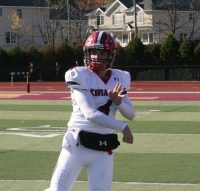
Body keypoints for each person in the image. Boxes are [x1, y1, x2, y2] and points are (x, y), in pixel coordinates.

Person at [44, 31, 135, 191]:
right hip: (77, 143)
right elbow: (89, 113)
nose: (95, 57)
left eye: (101, 52)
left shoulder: (120, 77)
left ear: (110, 54)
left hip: (103, 147)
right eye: (92, 52)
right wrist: (122, 127)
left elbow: (131, 114)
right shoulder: (79, 74)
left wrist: (119, 102)